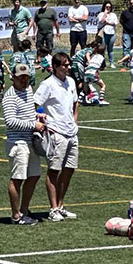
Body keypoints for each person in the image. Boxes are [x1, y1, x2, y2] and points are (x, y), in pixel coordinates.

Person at [33, 52, 80, 222]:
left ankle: (60, 205)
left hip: (71, 132)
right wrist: (41, 118)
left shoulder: (71, 82)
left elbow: (75, 103)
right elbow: (35, 103)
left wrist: (74, 122)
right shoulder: (48, 84)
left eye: (69, 65)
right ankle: (53, 208)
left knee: (69, 169)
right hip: (56, 132)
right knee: (54, 170)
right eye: (64, 65)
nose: (68, 68)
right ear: (55, 67)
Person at [2, 63, 45, 225]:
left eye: (26, 77)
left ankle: (24, 210)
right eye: (21, 78)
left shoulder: (28, 90)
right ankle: (16, 215)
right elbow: (11, 121)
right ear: (13, 77)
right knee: (17, 178)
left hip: (30, 140)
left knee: (34, 175)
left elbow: (27, 112)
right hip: (17, 142)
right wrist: (33, 125)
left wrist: (37, 116)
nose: (24, 80)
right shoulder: (10, 96)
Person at [97, 0, 118, 68]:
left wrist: (107, 22)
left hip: (112, 33)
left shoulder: (113, 15)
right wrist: (105, 13)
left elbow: (115, 23)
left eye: (109, 7)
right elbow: (102, 21)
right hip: (104, 33)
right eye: (107, 7)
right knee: (103, 49)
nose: (108, 8)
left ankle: (111, 63)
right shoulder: (101, 14)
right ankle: (102, 64)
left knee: (110, 49)